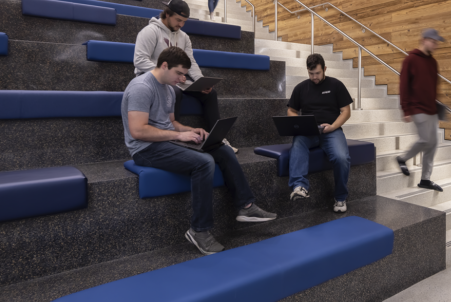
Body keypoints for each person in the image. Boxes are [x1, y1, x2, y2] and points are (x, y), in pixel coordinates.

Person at [123, 46, 277, 255]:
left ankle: (246, 206)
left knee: (221, 149)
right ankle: (199, 230)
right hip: (145, 149)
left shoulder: (168, 89)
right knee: (204, 162)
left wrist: (191, 130)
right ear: (164, 65)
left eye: (184, 75)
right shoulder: (141, 87)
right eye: (179, 73)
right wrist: (179, 136)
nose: (182, 79)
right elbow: (138, 130)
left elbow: (171, 123)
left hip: (166, 141)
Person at [133, 0, 237, 153]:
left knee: (210, 93)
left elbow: (191, 62)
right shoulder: (150, 32)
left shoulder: (184, 37)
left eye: (184, 22)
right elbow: (139, 60)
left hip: (174, 79)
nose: (181, 24)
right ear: (167, 14)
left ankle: (217, 139)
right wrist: (166, 74)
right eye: (178, 20)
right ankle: (176, 138)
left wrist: (201, 81)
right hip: (152, 80)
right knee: (173, 91)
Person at [286, 53, 353, 213]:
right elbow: (291, 110)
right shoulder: (301, 88)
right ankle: (299, 186)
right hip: (309, 131)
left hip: (331, 130)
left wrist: (332, 126)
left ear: (324, 69)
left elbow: (346, 111)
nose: (314, 77)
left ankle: (340, 198)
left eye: (317, 73)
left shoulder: (336, 85)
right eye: (311, 74)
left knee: (342, 157)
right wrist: (301, 124)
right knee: (297, 143)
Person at [396, 28, 445, 192]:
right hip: (416, 107)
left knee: (433, 144)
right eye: (433, 41)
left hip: (431, 109)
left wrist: (437, 108)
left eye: (437, 42)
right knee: (425, 140)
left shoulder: (433, 62)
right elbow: (404, 85)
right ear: (424, 40)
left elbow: (433, 87)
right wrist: (405, 109)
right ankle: (403, 158)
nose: (436, 45)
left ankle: (425, 179)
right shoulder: (410, 59)